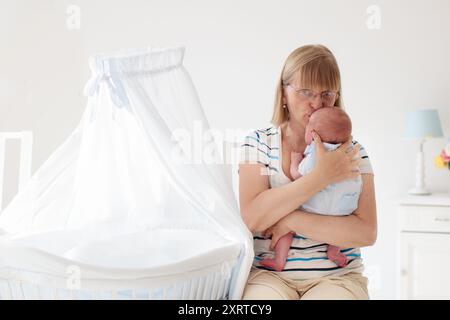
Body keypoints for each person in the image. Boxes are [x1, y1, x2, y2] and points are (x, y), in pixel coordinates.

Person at [238, 44, 377, 300]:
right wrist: (320, 177)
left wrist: (289, 220)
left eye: (326, 93)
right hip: (269, 277)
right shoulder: (257, 143)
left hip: (337, 279)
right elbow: (253, 219)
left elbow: (365, 233)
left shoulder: (353, 152)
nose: (316, 103)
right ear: (283, 93)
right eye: (305, 92)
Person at [259, 107, 360, 272]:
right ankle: (334, 250)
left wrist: (295, 161)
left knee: (285, 226)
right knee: (340, 231)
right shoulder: (350, 154)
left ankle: (279, 260)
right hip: (344, 209)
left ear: (313, 134)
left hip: (316, 209)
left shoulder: (315, 154)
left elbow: (298, 176)